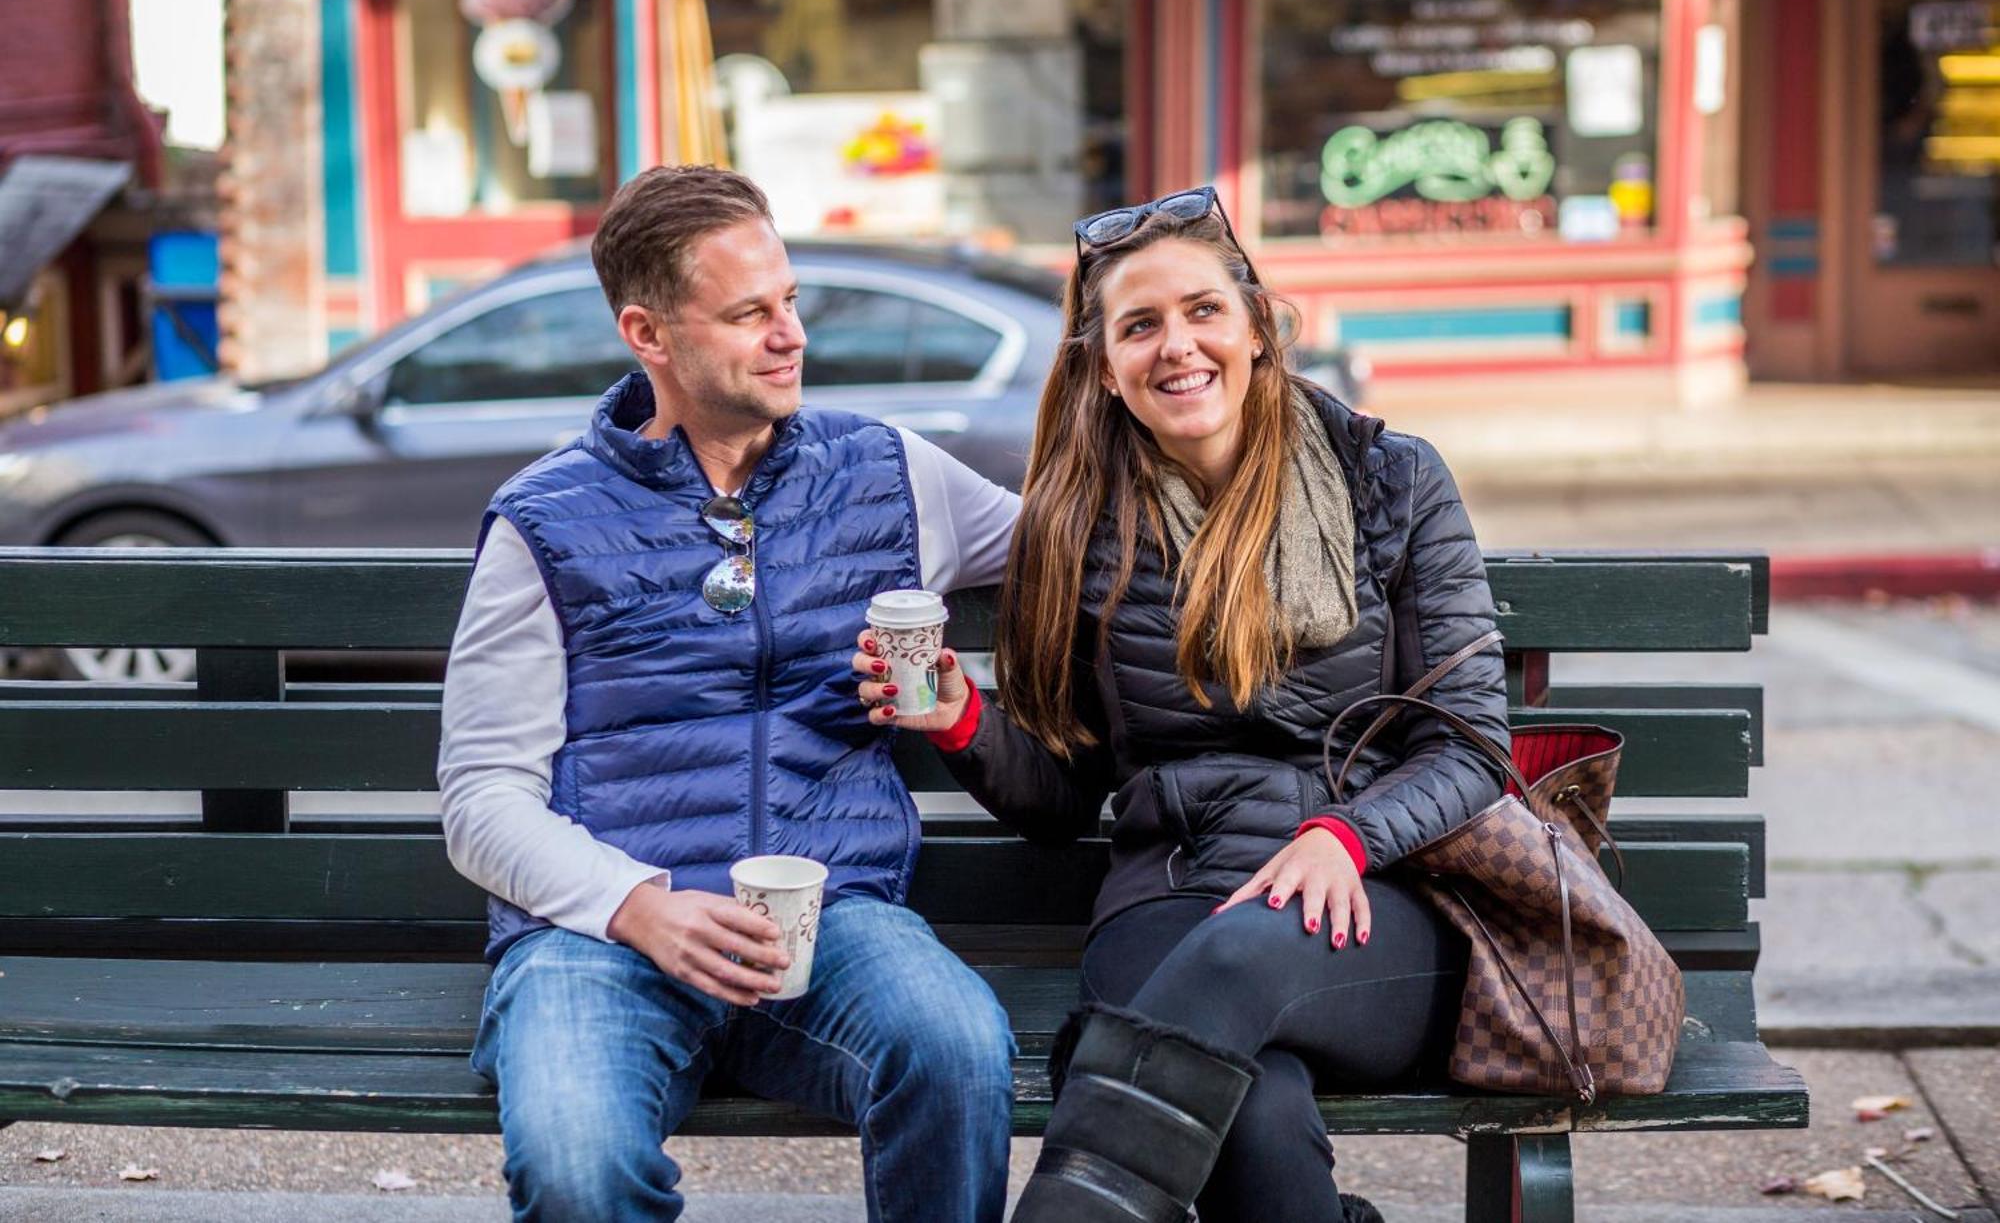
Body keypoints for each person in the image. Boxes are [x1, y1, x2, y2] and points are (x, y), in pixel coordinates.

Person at [857, 187, 1510, 1223]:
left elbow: (1473, 746)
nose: (1177, 346)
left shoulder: (1390, 480)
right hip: (1164, 888)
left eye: (1202, 310)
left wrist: (1343, 834)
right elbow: (1067, 795)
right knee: (1250, 1115)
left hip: (1373, 899)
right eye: (1139, 325)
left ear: (1255, 326)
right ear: (1104, 367)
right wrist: (961, 723)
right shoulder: (1074, 522)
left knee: (1236, 953)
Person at [439, 165, 1022, 1223]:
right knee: (576, 1165)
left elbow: (1076, 546)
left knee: (958, 1051)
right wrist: (635, 906)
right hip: (601, 936)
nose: (789, 333)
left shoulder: (884, 471)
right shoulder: (546, 520)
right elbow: (482, 796)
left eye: (789, 301)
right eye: (748, 313)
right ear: (647, 334)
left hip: (832, 915)